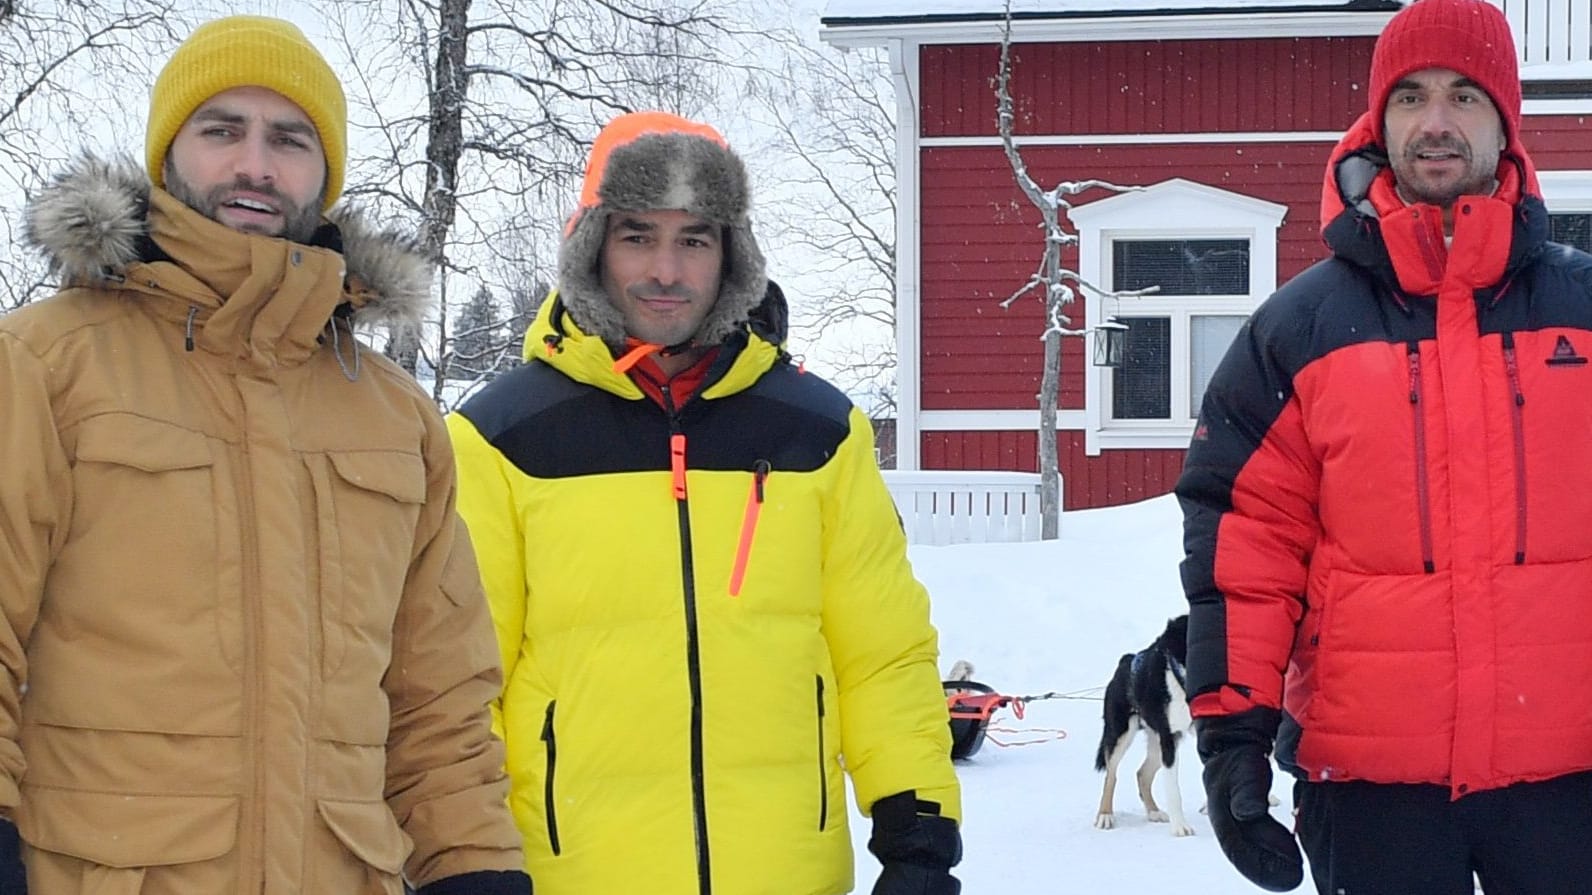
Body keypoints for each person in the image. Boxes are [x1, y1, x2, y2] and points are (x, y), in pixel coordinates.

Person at [1, 16, 529, 895]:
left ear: (326, 173)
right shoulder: (47, 364)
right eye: (222, 130)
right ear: (170, 153)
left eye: (289, 139)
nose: (254, 164)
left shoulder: (395, 415)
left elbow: (439, 702)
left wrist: (473, 866)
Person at [446, 111, 963, 894]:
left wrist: (918, 828)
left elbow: (881, 655)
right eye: (636, 235)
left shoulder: (819, 430)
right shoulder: (499, 437)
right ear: (592, 247)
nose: (666, 268)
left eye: (694, 238)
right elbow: (456, 686)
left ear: (731, 255)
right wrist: (467, 861)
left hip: (787, 874)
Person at [1177, 0, 1592, 892]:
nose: (1435, 122)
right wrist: (1232, 736)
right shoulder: (1298, 331)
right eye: (1409, 97)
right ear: (1378, 121)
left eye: (1464, 96)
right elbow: (1248, 548)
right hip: (1372, 795)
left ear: (1506, 123)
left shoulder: (1583, 312)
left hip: (1573, 785)